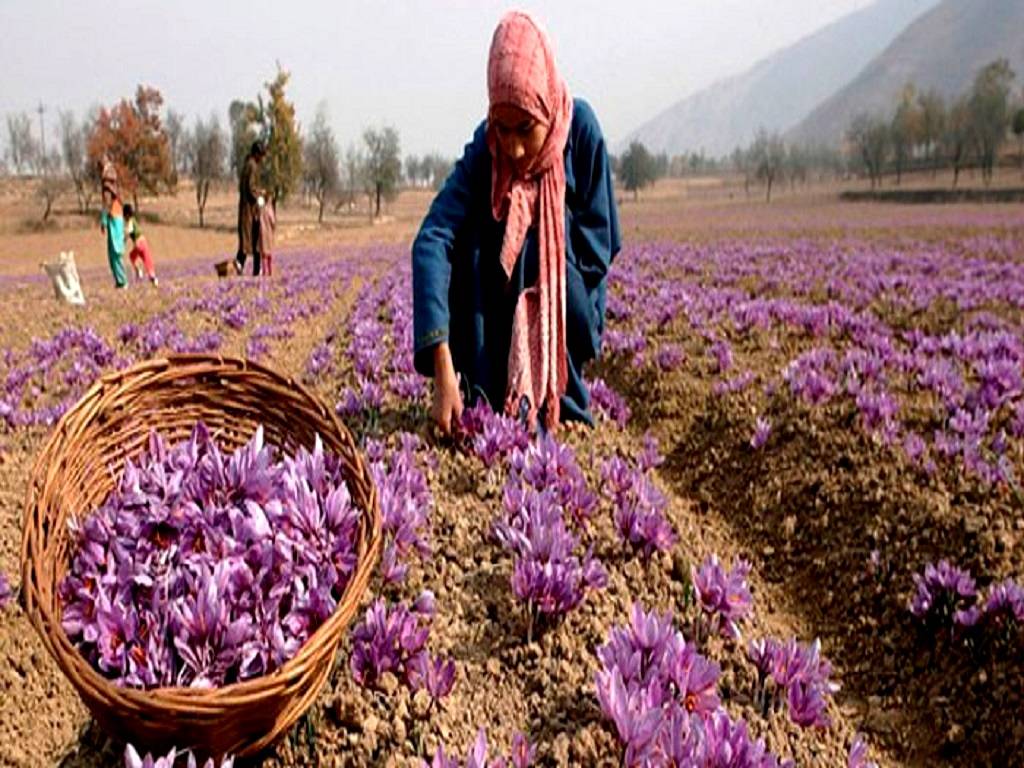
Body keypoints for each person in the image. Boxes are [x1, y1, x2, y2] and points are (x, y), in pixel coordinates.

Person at [412, 10, 620, 435]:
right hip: (497, 315)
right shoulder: (486, 148)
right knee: (472, 236)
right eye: (502, 129)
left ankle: (553, 397)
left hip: (567, 306)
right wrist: (441, 359)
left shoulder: (580, 129)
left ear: (545, 104)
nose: (515, 149)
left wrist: (541, 234)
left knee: (529, 229)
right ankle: (485, 388)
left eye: (525, 128)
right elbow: (432, 238)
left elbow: (599, 248)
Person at [235, 140, 266, 276]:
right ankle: (252, 271)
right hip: (249, 211)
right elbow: (251, 188)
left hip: (247, 209)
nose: (262, 159)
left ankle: (240, 269)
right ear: (256, 154)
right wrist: (260, 195)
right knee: (251, 243)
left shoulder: (247, 165)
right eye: (262, 155)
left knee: (248, 243)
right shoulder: (252, 166)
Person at [123, 203, 158, 286]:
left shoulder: (130, 221)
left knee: (132, 256)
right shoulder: (134, 220)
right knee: (147, 261)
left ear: (127, 214)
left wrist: (123, 242)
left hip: (138, 243)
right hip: (144, 242)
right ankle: (153, 278)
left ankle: (139, 271)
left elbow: (128, 232)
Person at [100, 189, 127, 289]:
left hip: (114, 221)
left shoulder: (109, 192)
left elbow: (106, 207)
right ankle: (119, 281)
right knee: (114, 255)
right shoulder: (115, 192)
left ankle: (122, 281)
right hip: (116, 220)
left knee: (115, 253)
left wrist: (103, 222)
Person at [258, 199, 276, 276]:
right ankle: (270, 271)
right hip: (268, 233)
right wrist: (273, 228)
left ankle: (264, 271)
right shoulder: (269, 209)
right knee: (269, 254)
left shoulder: (260, 209)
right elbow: (273, 222)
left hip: (261, 233)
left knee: (263, 254)